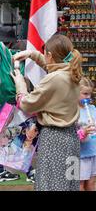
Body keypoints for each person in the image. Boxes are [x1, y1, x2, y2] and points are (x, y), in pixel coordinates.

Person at [12, 34, 82, 191]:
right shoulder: (73, 73)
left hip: (54, 140)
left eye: (45, 54)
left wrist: (20, 84)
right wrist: (33, 55)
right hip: (71, 138)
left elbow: (26, 104)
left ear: (49, 55)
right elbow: (56, 69)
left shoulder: (55, 79)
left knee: (50, 186)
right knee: (69, 186)